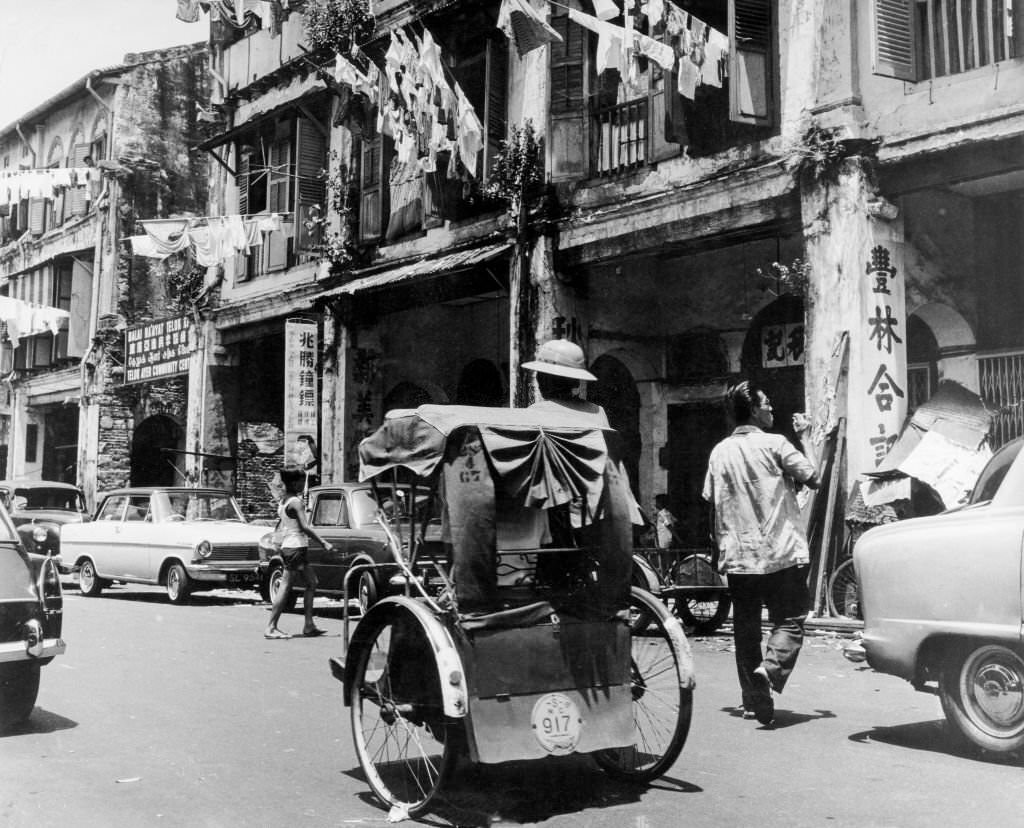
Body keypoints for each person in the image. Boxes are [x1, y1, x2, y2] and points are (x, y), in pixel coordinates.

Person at [702, 380, 819, 725]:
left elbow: (712, 505)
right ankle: (771, 668)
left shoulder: (719, 451)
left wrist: (717, 549)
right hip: (780, 552)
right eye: (766, 403)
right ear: (753, 410)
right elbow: (813, 477)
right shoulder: (775, 443)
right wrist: (807, 437)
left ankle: (754, 702)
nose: (771, 408)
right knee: (792, 619)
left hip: (739, 556)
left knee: (746, 630)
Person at [265, 467, 335, 640]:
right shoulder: (295, 502)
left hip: (293, 546)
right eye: (301, 482)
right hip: (295, 547)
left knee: (312, 582)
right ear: (294, 483)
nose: (303, 485)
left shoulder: (284, 500)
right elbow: (305, 527)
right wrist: (323, 542)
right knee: (286, 586)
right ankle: (271, 627)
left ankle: (309, 624)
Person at [522, 338, 610, 427]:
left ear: (542, 379)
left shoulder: (532, 413)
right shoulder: (597, 413)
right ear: (577, 382)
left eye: (540, 375)